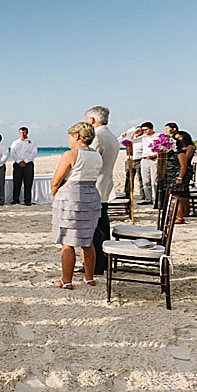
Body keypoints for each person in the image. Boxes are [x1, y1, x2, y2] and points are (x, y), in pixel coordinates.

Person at [50, 122, 103, 289]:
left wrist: (53, 194)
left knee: (68, 241)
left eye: (70, 137)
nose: (69, 140)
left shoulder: (71, 154)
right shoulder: (96, 155)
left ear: (77, 136)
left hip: (72, 197)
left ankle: (66, 281)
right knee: (87, 241)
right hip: (91, 196)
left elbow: (56, 180)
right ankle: (89, 277)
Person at [84, 106, 120, 276]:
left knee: (94, 227)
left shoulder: (97, 136)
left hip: (96, 185)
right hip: (105, 183)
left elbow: (91, 160)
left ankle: (96, 265)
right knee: (102, 223)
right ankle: (104, 260)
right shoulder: (111, 136)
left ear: (92, 120)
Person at [165, 130, 197, 222]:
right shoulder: (175, 151)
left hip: (184, 170)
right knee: (181, 193)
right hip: (176, 170)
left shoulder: (188, 148)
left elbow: (185, 161)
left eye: (180, 137)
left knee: (181, 192)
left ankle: (183, 213)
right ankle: (182, 213)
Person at [120, 123, 148, 201]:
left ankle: (143, 195)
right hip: (131, 160)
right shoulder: (132, 138)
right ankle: (127, 193)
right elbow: (127, 142)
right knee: (129, 178)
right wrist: (132, 132)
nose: (138, 132)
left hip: (140, 160)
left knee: (141, 179)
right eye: (137, 130)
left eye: (140, 131)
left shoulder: (143, 139)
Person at [10, 127, 37, 205]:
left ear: (27, 133)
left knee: (28, 183)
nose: (22, 134)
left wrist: (25, 161)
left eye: (24, 132)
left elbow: (34, 153)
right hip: (17, 164)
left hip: (28, 164)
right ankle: (15, 199)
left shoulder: (32, 142)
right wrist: (19, 161)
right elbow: (12, 153)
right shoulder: (15, 142)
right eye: (21, 133)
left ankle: (27, 200)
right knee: (16, 182)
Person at [137, 122, 159, 207]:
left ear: (151, 128)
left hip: (154, 159)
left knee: (154, 180)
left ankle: (157, 199)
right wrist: (136, 132)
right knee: (145, 181)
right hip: (144, 159)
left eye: (146, 129)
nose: (144, 131)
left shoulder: (157, 136)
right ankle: (148, 198)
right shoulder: (143, 138)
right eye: (143, 130)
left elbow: (163, 149)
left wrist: (154, 155)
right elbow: (128, 142)